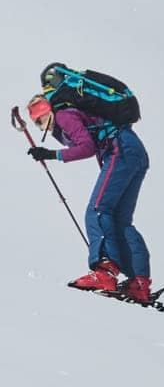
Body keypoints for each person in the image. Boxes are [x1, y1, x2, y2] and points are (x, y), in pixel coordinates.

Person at [25, 91, 156, 303]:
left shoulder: (63, 115)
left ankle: (105, 272)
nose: (40, 127)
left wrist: (51, 154)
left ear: (45, 111)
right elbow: (85, 142)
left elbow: (85, 147)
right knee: (120, 221)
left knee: (98, 210)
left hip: (119, 150)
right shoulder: (70, 116)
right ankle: (139, 283)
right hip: (132, 151)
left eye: (38, 120)